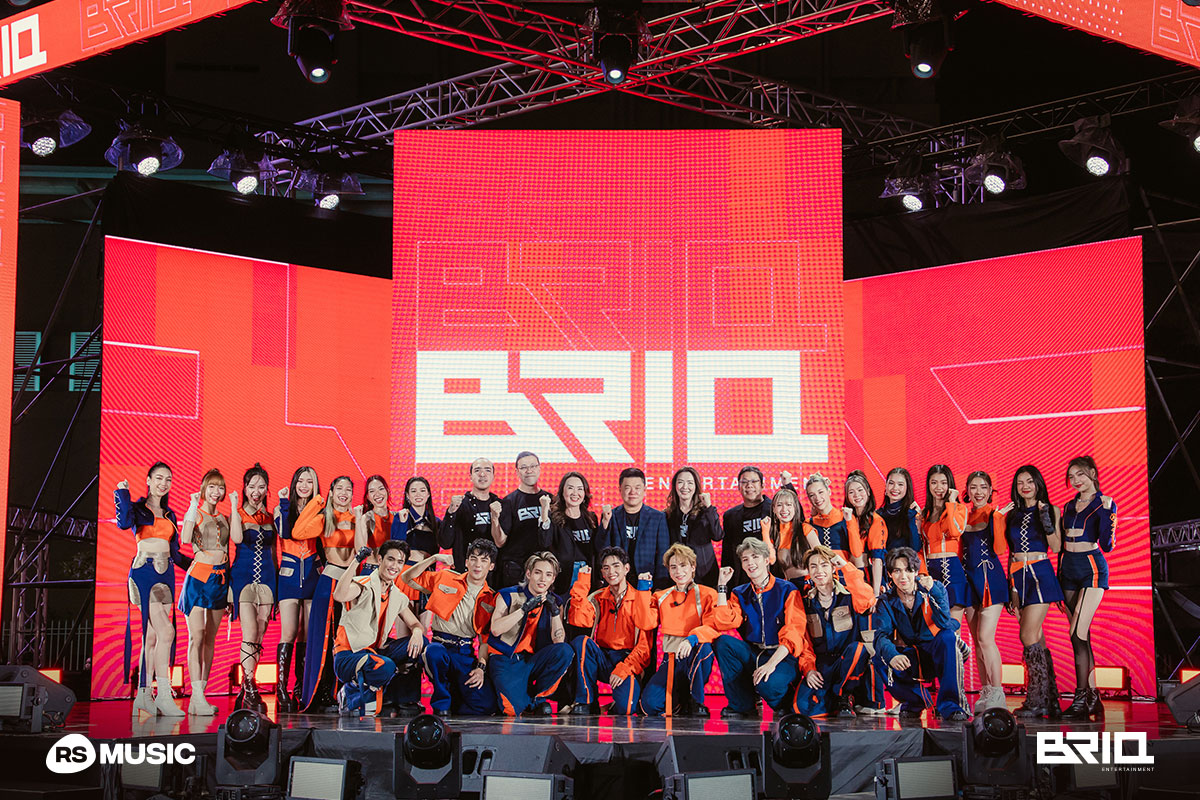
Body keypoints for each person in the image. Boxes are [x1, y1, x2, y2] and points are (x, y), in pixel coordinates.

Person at [116, 462, 187, 717]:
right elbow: (123, 523)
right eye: (158, 478)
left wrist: (200, 565)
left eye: (168, 479)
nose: (163, 483)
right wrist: (122, 494)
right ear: (148, 480)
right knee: (167, 632)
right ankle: (164, 694)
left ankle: (143, 696)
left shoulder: (170, 515)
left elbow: (176, 553)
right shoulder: (137, 509)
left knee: (153, 637)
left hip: (166, 574)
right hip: (144, 573)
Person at [637, 543, 740, 717]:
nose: (678, 571)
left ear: (693, 567)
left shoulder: (708, 594)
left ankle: (696, 701)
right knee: (649, 705)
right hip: (671, 659)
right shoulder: (660, 596)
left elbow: (713, 626)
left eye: (683, 565)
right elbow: (645, 623)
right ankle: (681, 701)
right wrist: (643, 589)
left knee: (704, 647)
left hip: (696, 652)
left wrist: (691, 639)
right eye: (673, 567)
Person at [402, 539, 500, 717]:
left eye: (484, 560)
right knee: (434, 653)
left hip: (465, 653)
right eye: (473, 559)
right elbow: (406, 578)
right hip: (440, 645)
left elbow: (485, 640)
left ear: (491, 566)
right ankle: (441, 703)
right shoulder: (446, 577)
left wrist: (481, 668)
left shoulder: (491, 599)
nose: (477, 565)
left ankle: (454, 697)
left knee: (486, 706)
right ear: (466, 562)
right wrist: (433, 558)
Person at [871, 546, 970, 722]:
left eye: (908, 570)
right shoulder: (886, 601)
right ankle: (916, 701)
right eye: (897, 571)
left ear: (916, 571)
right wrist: (893, 655)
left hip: (940, 650)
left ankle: (952, 706)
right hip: (913, 656)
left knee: (947, 637)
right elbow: (881, 636)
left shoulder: (934, 588)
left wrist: (933, 592)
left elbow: (943, 622)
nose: (903, 576)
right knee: (880, 657)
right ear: (890, 574)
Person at [712, 538, 808, 720]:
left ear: (766, 560)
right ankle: (743, 705)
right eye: (745, 559)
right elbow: (724, 622)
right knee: (723, 642)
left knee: (767, 685)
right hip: (756, 653)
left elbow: (794, 632)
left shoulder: (787, 589)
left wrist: (771, 665)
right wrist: (722, 586)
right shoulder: (740, 592)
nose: (750, 563)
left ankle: (784, 703)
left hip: (782, 656)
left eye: (755, 557)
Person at [331, 540, 426, 717]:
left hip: (375, 652)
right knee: (386, 666)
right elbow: (339, 595)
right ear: (380, 559)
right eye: (391, 559)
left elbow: (415, 624)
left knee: (422, 644)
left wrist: (417, 632)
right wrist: (356, 561)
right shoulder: (363, 584)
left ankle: (402, 699)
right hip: (349, 655)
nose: (394, 566)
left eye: (400, 562)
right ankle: (349, 691)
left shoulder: (396, 595)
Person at [788, 545, 878, 719]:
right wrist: (809, 670)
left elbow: (868, 600)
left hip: (848, 660)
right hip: (823, 664)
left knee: (859, 649)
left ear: (832, 568)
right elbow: (804, 643)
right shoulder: (805, 602)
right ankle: (836, 698)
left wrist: (845, 566)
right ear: (808, 571)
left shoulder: (850, 595)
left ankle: (845, 696)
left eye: (824, 565)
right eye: (813, 566)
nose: (819, 571)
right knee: (801, 709)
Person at [1003, 464, 1065, 719]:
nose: (1025, 486)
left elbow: (1057, 546)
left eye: (1029, 481)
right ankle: (1050, 699)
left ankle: (1037, 699)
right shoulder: (1012, 514)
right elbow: (1010, 551)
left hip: (1040, 572)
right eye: (1020, 482)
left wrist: (1046, 520)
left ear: (1038, 483)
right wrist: (1011, 587)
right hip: (1018, 575)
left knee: (1027, 634)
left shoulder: (1051, 509)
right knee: (1038, 638)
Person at [563, 546, 654, 715]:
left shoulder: (639, 598)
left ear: (626, 568)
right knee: (581, 642)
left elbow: (644, 648)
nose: (611, 571)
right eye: (606, 568)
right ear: (602, 574)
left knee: (627, 708)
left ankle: (613, 705)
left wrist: (624, 668)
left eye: (616, 566)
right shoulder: (598, 597)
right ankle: (587, 701)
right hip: (603, 657)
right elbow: (579, 619)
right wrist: (582, 582)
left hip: (627, 659)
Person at [1058, 456, 1116, 721]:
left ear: (1092, 473)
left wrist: (1107, 513)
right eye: (1071, 477)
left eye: (1080, 474)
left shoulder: (1104, 503)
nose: (1075, 480)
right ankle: (1093, 698)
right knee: (1081, 636)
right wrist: (1059, 579)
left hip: (1092, 568)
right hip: (1068, 570)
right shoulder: (1068, 505)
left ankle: (1081, 697)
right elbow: (1061, 546)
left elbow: (1107, 545)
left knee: (1077, 633)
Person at [296, 475, 359, 712]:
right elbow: (298, 531)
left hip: (353, 585)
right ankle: (321, 692)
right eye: (339, 488)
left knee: (347, 640)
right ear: (331, 492)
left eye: (348, 489)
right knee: (325, 639)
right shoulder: (325, 518)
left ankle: (344, 693)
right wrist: (316, 502)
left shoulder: (358, 518)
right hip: (329, 582)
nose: (344, 493)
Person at [487, 551, 574, 715]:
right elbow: (496, 629)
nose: (543, 579)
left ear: (553, 579)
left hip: (533, 660)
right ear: (528, 574)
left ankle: (538, 698)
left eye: (548, 575)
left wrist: (555, 612)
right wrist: (523, 610)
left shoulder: (555, 601)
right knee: (512, 710)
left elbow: (559, 641)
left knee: (565, 651)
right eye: (538, 573)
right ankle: (525, 699)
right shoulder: (507, 594)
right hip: (506, 659)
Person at [177, 469, 230, 716]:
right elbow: (185, 538)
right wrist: (191, 505)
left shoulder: (225, 517)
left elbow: (228, 549)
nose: (216, 492)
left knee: (210, 638)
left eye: (220, 487)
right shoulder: (195, 513)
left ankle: (201, 696)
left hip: (220, 579)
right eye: (211, 487)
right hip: (199, 577)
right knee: (196, 637)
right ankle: (196, 696)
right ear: (203, 489)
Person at [229, 464, 278, 713]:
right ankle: (249, 685)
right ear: (245, 488)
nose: (256, 491)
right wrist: (233, 507)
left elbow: (274, 552)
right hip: (242, 578)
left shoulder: (271, 518)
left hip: (268, 578)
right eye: (251, 486)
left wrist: (277, 586)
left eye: (261, 486)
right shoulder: (237, 514)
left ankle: (247, 687)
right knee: (249, 631)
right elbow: (236, 541)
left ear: (267, 489)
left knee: (259, 634)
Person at [275, 466, 321, 712]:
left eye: (309, 481)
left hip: (313, 574)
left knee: (306, 633)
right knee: (290, 632)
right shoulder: (283, 507)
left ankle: (301, 687)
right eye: (300, 481)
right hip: (289, 576)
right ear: (294, 484)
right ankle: (281, 689)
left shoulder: (320, 510)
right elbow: (285, 532)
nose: (304, 486)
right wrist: (284, 503)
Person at [962, 470, 1008, 713]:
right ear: (967, 491)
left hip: (990, 579)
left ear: (990, 490)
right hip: (969, 582)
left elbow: (999, 549)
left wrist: (998, 520)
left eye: (983, 487)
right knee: (977, 642)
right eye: (973, 487)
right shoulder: (963, 514)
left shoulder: (994, 514)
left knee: (985, 638)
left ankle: (998, 691)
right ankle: (987, 690)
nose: (978, 492)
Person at [601, 468, 670, 588]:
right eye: (627, 488)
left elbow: (663, 554)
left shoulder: (658, 517)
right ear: (620, 490)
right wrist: (604, 524)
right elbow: (602, 550)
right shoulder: (611, 516)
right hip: (618, 583)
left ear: (644, 490)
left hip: (647, 580)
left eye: (637, 488)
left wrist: (660, 585)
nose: (632, 492)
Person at [496, 451, 554, 588]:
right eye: (524, 467)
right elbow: (500, 541)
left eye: (533, 466)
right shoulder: (509, 501)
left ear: (539, 468)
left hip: (543, 570)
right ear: (517, 471)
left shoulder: (551, 500)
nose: (529, 471)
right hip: (516, 569)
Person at [920, 465, 969, 626]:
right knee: (934, 629)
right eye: (934, 483)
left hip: (951, 570)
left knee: (952, 629)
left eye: (943, 483)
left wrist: (952, 502)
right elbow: (921, 546)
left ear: (950, 485)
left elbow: (955, 531)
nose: (938, 487)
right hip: (931, 572)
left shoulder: (959, 508)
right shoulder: (925, 513)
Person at [665, 467, 723, 588]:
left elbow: (717, 535)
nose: (685, 487)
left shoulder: (706, 511)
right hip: (679, 575)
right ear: (675, 486)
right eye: (680, 482)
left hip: (705, 573)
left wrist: (709, 507)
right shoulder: (668, 515)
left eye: (690, 483)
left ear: (696, 486)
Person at [441, 458, 502, 573]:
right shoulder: (459, 505)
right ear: (470, 476)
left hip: (492, 575)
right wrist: (451, 512)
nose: (482, 474)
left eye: (487, 470)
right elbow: (445, 543)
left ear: (493, 476)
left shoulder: (500, 505)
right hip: (463, 573)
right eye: (477, 470)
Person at [548, 471, 603, 597]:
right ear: (562, 492)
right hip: (564, 577)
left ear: (585, 493)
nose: (575, 493)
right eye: (570, 488)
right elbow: (545, 543)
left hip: (587, 574)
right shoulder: (554, 518)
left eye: (580, 489)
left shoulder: (591, 518)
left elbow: (597, 549)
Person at [722, 466, 774, 588]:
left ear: (762, 485)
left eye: (754, 481)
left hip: (773, 578)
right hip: (743, 582)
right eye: (744, 482)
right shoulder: (730, 516)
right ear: (738, 487)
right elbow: (727, 554)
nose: (749, 485)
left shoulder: (774, 510)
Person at [803, 473, 864, 570]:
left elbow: (857, 553)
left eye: (821, 492)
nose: (817, 498)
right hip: (821, 574)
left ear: (829, 491)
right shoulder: (809, 523)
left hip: (845, 572)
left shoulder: (845, 516)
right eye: (812, 495)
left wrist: (849, 522)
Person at [844, 471, 887, 593]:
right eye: (851, 492)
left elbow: (877, 559)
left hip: (866, 575)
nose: (856, 495)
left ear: (868, 491)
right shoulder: (846, 518)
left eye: (860, 490)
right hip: (847, 575)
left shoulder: (875, 520)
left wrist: (876, 592)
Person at [355, 475, 401, 575]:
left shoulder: (397, 517)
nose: (377, 494)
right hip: (372, 572)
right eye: (372, 491)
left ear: (387, 491)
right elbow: (360, 550)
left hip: (392, 573)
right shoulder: (366, 518)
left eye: (381, 489)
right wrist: (358, 520)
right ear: (368, 496)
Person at [878, 467, 922, 561]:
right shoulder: (878, 515)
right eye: (891, 483)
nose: (895, 488)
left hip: (905, 566)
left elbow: (916, 547)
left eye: (900, 484)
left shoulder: (913, 514)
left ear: (907, 488)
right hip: (882, 566)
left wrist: (912, 519)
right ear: (886, 486)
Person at [763, 485, 805, 580]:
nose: (784, 509)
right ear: (773, 509)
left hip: (807, 584)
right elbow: (771, 560)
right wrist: (765, 531)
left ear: (795, 508)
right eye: (779, 505)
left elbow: (819, 555)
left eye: (788, 505)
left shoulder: (805, 528)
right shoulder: (772, 534)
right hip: (786, 585)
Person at [395, 476, 439, 562]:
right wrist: (403, 524)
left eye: (422, 491)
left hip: (428, 569)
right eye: (413, 491)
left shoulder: (436, 522)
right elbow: (395, 548)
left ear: (428, 494)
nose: (418, 494)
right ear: (407, 495)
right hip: (407, 568)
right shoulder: (400, 517)